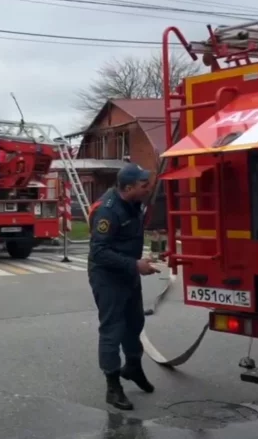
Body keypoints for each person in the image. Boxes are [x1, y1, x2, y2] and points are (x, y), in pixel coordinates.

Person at [88, 163, 160, 411]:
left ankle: (133, 367)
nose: (148, 188)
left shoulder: (134, 203)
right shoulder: (108, 212)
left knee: (135, 322)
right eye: (143, 185)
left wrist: (138, 263)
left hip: (128, 273)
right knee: (112, 330)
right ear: (128, 188)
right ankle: (113, 387)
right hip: (107, 277)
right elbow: (99, 252)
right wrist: (134, 264)